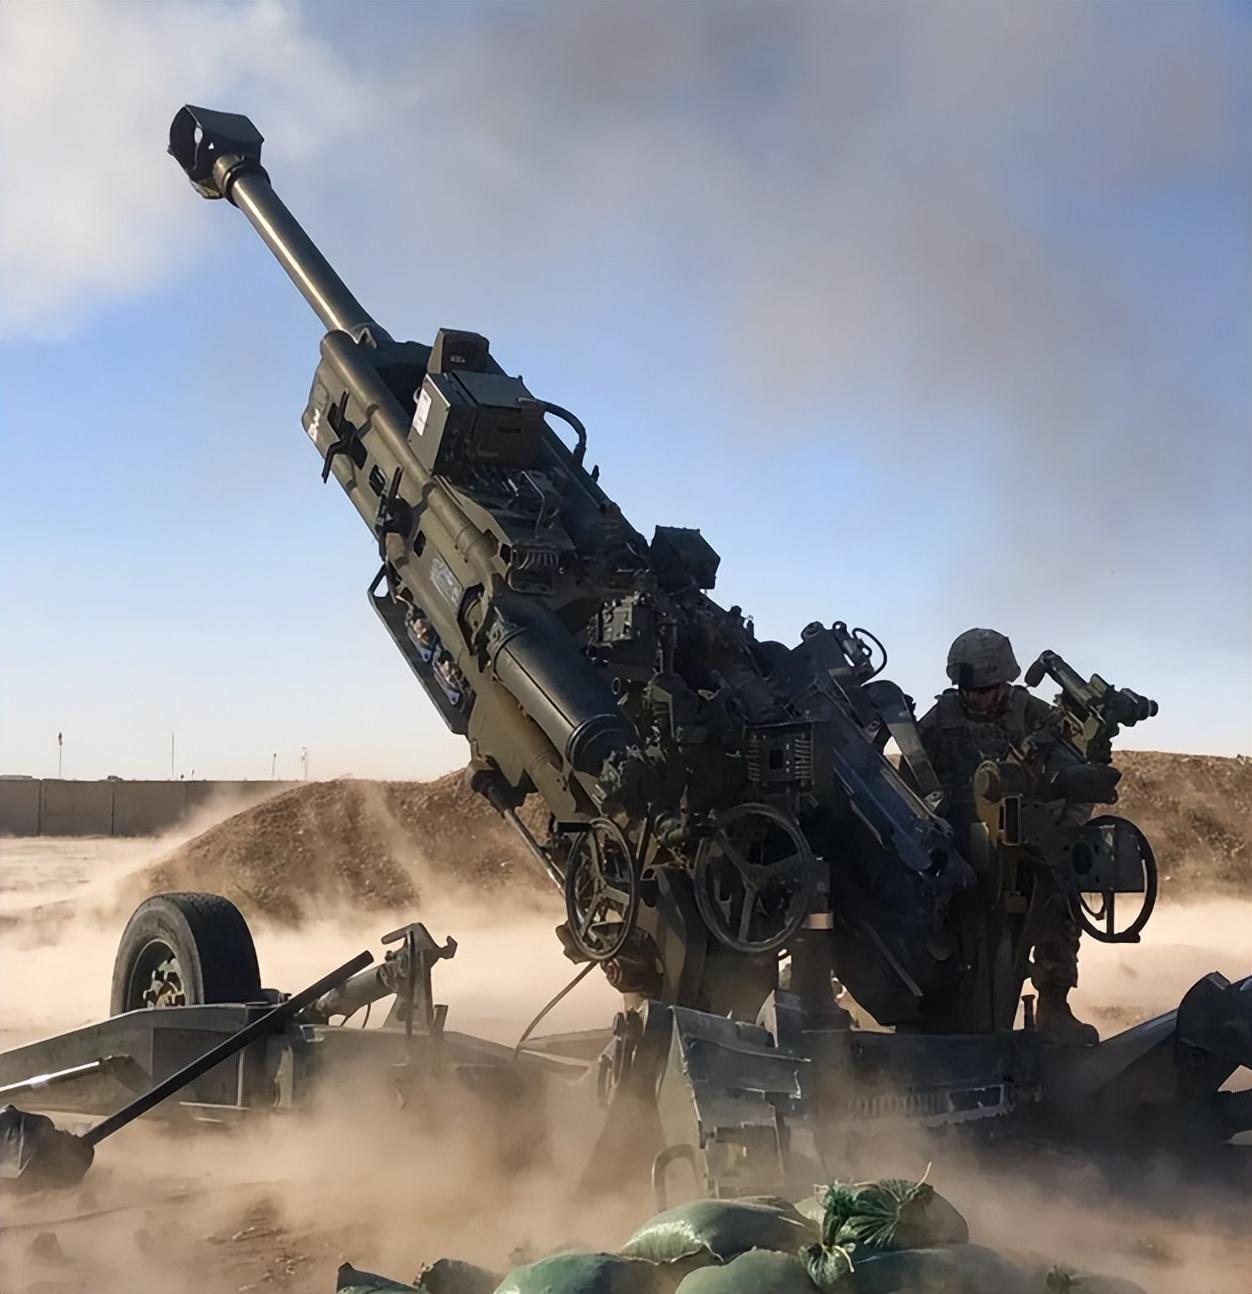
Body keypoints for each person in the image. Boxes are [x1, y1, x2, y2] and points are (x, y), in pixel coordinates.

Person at [915, 628, 1099, 1045]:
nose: (977, 698)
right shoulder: (937, 724)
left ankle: (1054, 1005)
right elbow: (911, 784)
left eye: (986, 690)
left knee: (1059, 901)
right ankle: (936, 1010)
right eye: (969, 690)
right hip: (958, 844)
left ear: (1005, 682)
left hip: (1031, 841)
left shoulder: (1037, 717)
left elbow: (1081, 779)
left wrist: (1065, 829)